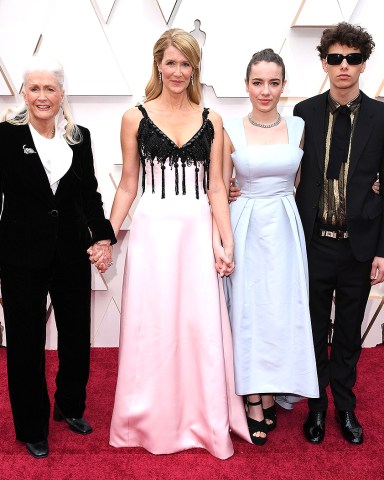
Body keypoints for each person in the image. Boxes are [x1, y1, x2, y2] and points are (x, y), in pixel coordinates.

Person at [230, 23, 384, 445]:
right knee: (313, 330)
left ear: (364, 63)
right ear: (324, 63)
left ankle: (346, 409)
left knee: (349, 333)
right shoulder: (305, 116)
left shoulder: (382, 117)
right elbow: (286, 171)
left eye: (352, 58)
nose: (344, 66)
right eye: (335, 58)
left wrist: (382, 251)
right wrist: (231, 186)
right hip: (311, 240)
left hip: (361, 245)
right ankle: (315, 409)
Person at [106, 28, 251, 459]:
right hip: (152, 233)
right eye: (170, 62)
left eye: (185, 63)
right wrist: (105, 235)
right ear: (158, 65)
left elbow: (217, 189)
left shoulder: (213, 120)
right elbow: (129, 186)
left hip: (195, 232)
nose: (177, 71)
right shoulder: (135, 116)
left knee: (198, 327)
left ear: (195, 69)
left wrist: (226, 242)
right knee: (152, 326)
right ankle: (145, 419)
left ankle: (203, 418)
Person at [0, 55, 116, 459]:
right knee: (25, 344)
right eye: (34, 88)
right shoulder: (5, 137)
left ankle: (70, 406)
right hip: (19, 257)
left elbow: (90, 196)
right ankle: (32, 426)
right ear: (23, 93)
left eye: (50, 88)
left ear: (62, 93)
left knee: (74, 337)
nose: (43, 96)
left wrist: (102, 237)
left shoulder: (78, 137)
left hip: (69, 252)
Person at [222, 49, 319, 445]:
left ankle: (275, 382)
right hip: (245, 223)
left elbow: (303, 182)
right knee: (248, 310)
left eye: (274, 82)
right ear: (246, 85)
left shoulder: (298, 126)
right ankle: (253, 396)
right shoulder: (228, 125)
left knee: (280, 309)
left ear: (283, 85)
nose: (266, 91)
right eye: (258, 82)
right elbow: (218, 185)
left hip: (284, 224)